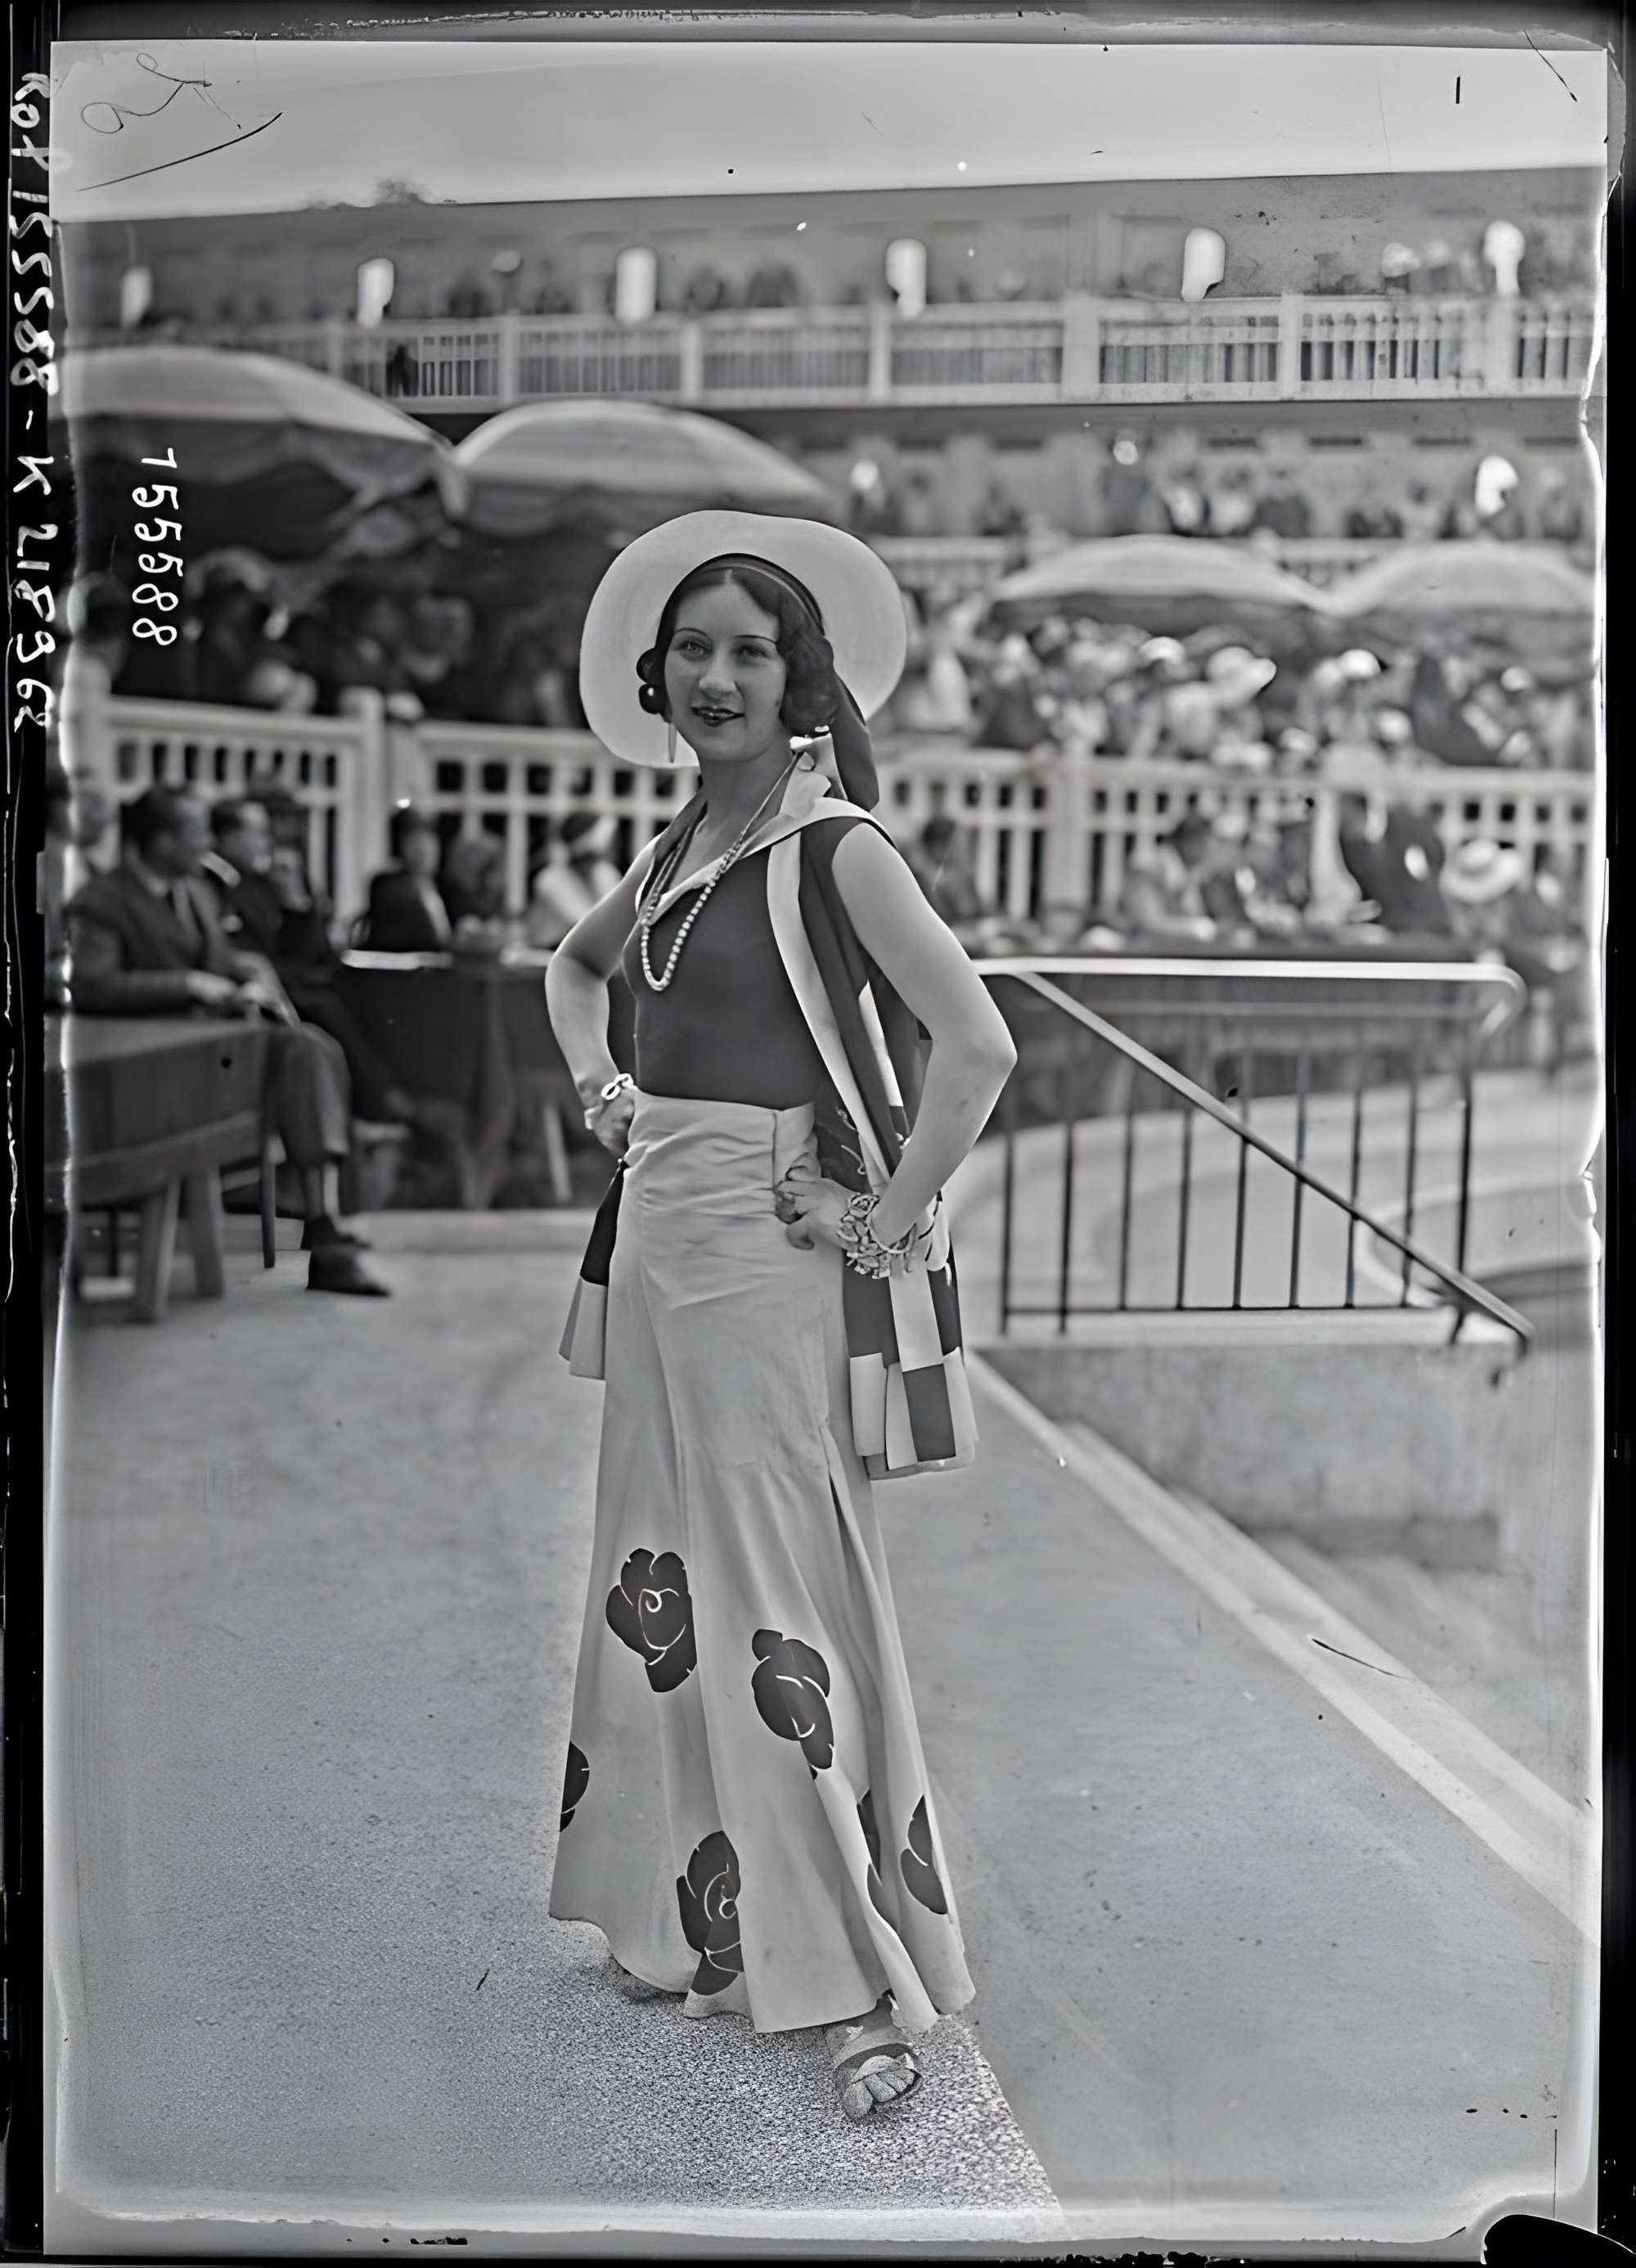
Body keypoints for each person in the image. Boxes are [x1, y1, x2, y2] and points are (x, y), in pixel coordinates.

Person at [545, 510, 1016, 2123]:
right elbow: (575, 969)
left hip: (763, 1255)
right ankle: (697, 1927)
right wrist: (601, 1084)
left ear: (798, 676)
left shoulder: (835, 849)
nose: (722, 675)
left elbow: (976, 1046)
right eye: (696, 651)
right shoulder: (676, 850)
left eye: (753, 650)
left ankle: (857, 1981)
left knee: (766, 1596)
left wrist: (885, 1223)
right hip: (662, 1241)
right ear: (655, 680)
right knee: (657, 1573)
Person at [66, 787, 389, 1294]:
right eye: (195, 831)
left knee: (312, 1046)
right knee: (308, 1049)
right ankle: (325, 1233)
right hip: (157, 1063)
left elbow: (217, 958)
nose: (206, 842)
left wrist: (243, 975)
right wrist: (189, 984)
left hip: (215, 1048)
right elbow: (92, 984)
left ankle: (325, 1227)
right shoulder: (103, 901)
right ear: (162, 840)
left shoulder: (194, 890)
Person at [202, 797, 422, 1130]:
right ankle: (377, 1099)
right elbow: (246, 953)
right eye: (259, 832)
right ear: (229, 838)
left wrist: (295, 902)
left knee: (351, 989)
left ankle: (374, 1098)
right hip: (253, 988)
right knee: (325, 1004)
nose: (267, 842)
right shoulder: (215, 885)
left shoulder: (260, 883)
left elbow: (308, 950)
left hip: (284, 978)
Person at [360, 806, 453, 951]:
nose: (423, 850)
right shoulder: (389, 888)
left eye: (430, 841)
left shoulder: (441, 888)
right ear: (399, 847)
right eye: (414, 841)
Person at [526, 812, 624, 950]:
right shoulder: (551, 879)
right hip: (549, 955)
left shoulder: (605, 873)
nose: (617, 846)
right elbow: (583, 925)